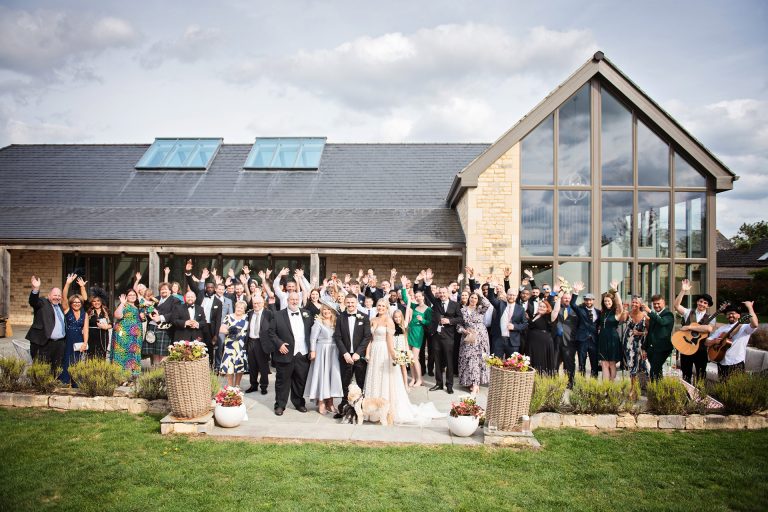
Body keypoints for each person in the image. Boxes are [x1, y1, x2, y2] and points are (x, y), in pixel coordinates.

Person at [364, 298, 443, 425]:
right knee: (375, 378)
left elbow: (390, 341)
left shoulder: (389, 321)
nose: (380, 308)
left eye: (383, 306)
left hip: (385, 351)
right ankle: (373, 410)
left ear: (387, 308)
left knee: (385, 378)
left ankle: (386, 411)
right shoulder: (372, 320)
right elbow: (370, 339)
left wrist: (393, 355)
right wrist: (368, 353)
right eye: (379, 305)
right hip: (375, 351)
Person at [268, 291, 314, 415]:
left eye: (296, 299)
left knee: (300, 380)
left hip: (303, 353)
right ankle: (280, 405)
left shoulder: (307, 314)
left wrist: (312, 349)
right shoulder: (278, 315)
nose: (294, 301)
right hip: (285, 353)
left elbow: (312, 332)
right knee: (282, 381)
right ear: (287, 301)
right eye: (292, 299)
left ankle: (299, 403)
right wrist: (279, 344)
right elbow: (271, 332)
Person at [424, 271, 464, 394]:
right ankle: (439, 383)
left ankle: (449, 385)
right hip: (436, 336)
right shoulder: (436, 303)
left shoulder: (455, 305)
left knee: (449, 361)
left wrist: (450, 321)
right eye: (440, 293)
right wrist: (427, 282)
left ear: (448, 293)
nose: (442, 295)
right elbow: (428, 293)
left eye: (444, 293)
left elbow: (460, 319)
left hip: (448, 337)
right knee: (437, 361)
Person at [332, 293, 372, 418]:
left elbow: (367, 336)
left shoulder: (364, 317)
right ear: (345, 303)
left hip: (359, 357)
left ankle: (359, 411)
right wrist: (345, 353)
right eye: (348, 302)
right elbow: (337, 337)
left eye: (352, 302)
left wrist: (358, 353)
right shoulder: (340, 317)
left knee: (360, 383)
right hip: (345, 357)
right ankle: (344, 409)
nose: (350, 305)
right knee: (345, 383)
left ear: (356, 303)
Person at [673, 279, 716, 383]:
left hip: (701, 350)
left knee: (701, 377)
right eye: (701, 301)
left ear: (708, 306)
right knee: (686, 376)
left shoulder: (711, 317)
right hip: (686, 348)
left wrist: (689, 327)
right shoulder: (688, 312)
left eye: (705, 303)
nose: (702, 304)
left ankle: (700, 394)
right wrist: (683, 291)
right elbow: (676, 306)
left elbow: (708, 328)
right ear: (697, 302)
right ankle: (687, 393)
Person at [305, 304, 343, 414]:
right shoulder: (318, 322)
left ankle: (330, 403)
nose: (326, 311)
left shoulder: (336, 322)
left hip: (334, 351)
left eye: (328, 309)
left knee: (331, 376)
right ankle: (321, 402)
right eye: (324, 309)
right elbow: (313, 338)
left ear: (332, 311)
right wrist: (313, 351)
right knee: (322, 376)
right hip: (322, 351)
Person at [705, 302, 759, 380]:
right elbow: (706, 342)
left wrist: (750, 307)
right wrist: (714, 341)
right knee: (722, 386)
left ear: (739, 315)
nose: (730, 315)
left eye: (733, 313)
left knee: (736, 386)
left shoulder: (744, 327)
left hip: (736, 363)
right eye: (728, 314)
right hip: (721, 363)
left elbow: (755, 324)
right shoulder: (722, 329)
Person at [26, 275, 67, 375]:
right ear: (49, 295)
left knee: (55, 369)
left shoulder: (60, 307)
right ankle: (39, 384)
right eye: (55, 295)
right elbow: (33, 301)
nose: (57, 297)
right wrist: (36, 289)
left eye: (59, 296)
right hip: (43, 343)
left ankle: (52, 384)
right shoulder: (42, 303)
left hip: (59, 344)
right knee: (40, 370)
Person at [457, 291, 491, 394]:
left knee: (478, 359)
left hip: (480, 337)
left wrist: (480, 294)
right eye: (472, 297)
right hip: (467, 337)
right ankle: (470, 382)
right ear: (468, 298)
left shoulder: (480, 309)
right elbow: (458, 325)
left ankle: (476, 384)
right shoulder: (462, 310)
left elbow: (487, 304)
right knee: (468, 359)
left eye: (476, 298)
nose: (473, 300)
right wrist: (464, 331)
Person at [400, 278, 431, 388]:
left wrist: (422, 320)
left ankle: (420, 379)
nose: (417, 298)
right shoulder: (414, 306)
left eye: (419, 296)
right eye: (416, 296)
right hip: (410, 331)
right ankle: (413, 378)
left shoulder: (428, 309)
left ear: (423, 297)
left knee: (415, 357)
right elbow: (405, 299)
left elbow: (430, 322)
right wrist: (403, 286)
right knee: (409, 356)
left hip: (418, 333)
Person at [60, 274, 89, 385]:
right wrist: (67, 283)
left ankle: (76, 382)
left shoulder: (84, 314)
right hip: (67, 339)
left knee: (77, 361)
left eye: (78, 302)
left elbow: (86, 329)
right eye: (74, 302)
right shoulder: (67, 310)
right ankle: (65, 382)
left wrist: (85, 343)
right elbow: (64, 297)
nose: (76, 304)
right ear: (71, 303)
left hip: (79, 339)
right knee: (67, 360)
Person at [487, 282, 528, 358]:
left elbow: (525, 324)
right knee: (495, 362)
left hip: (513, 342)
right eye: (509, 295)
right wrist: (491, 286)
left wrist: (514, 326)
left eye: (513, 295)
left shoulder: (520, 309)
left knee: (512, 363)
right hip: (499, 340)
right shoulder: (500, 304)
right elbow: (491, 298)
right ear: (506, 295)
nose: (511, 297)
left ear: (516, 296)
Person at [112, 289, 144, 378]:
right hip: (124, 335)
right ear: (126, 297)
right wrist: (122, 303)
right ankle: (121, 377)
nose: (132, 296)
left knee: (134, 354)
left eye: (134, 295)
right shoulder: (124, 305)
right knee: (122, 353)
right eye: (130, 295)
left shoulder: (137, 306)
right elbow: (117, 315)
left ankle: (133, 376)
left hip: (136, 336)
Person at [642, 294, 674, 381]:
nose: (656, 306)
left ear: (664, 302)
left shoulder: (668, 314)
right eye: (654, 304)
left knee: (653, 371)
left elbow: (662, 322)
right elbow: (650, 333)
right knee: (657, 370)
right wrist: (644, 348)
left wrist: (649, 311)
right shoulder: (654, 315)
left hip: (663, 348)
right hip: (652, 349)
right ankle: (659, 388)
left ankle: (654, 388)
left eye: (658, 303)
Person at [146, 282, 181, 363]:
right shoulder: (155, 299)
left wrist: (160, 317)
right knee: (154, 351)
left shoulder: (175, 300)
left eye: (165, 289)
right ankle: (155, 369)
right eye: (161, 289)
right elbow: (148, 310)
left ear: (170, 291)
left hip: (165, 328)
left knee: (163, 352)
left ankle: (162, 370)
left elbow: (175, 313)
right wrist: (150, 313)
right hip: (152, 327)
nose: (163, 291)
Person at [621, 295, 648, 398]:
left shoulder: (645, 316)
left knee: (641, 366)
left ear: (640, 304)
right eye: (633, 302)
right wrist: (624, 309)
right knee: (632, 365)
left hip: (640, 345)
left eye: (636, 302)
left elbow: (649, 331)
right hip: (628, 344)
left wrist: (640, 333)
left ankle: (639, 389)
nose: (634, 304)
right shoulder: (628, 313)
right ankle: (633, 389)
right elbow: (622, 320)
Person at [527, 294, 561, 375]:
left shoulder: (549, 316)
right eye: (540, 306)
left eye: (544, 307)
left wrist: (559, 298)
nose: (541, 308)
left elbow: (556, 310)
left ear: (547, 309)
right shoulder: (535, 315)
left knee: (541, 363)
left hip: (543, 344)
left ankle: (541, 380)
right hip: (532, 344)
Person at [218, 300, 249, 388]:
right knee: (229, 365)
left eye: (241, 308)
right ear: (235, 307)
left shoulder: (247, 317)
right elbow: (221, 329)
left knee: (240, 365)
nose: (239, 309)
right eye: (238, 307)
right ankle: (230, 386)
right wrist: (229, 331)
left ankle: (237, 385)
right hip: (230, 345)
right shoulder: (228, 317)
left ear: (244, 310)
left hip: (241, 345)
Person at [572, 282, 600, 377]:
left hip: (594, 340)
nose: (588, 302)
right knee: (581, 363)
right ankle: (582, 382)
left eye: (590, 300)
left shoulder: (598, 312)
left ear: (593, 300)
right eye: (586, 300)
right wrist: (576, 292)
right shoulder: (580, 310)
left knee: (594, 363)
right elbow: (572, 304)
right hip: (582, 340)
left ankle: (593, 382)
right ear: (584, 301)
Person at [597, 281, 624, 381]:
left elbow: (620, 305)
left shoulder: (616, 312)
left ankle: (612, 385)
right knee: (604, 363)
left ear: (612, 302)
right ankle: (605, 386)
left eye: (608, 301)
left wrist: (615, 291)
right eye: (605, 301)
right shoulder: (603, 312)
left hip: (613, 339)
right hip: (602, 339)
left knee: (612, 363)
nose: (607, 303)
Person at [553, 286, 579, 388]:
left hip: (570, 341)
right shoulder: (557, 307)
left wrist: (576, 292)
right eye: (565, 298)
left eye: (568, 298)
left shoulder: (576, 310)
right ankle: (555, 384)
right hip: (556, 340)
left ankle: (570, 382)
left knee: (569, 363)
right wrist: (554, 293)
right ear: (562, 299)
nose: (567, 300)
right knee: (555, 363)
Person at [246, 294, 272, 395]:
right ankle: (253, 385)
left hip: (262, 342)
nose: (256, 305)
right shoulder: (250, 313)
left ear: (263, 303)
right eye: (254, 303)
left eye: (258, 303)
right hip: (251, 341)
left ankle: (264, 386)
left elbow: (273, 328)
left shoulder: (268, 313)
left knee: (263, 366)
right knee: (252, 365)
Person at [86, 294, 111, 360]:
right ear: (92, 303)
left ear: (101, 301)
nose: (96, 303)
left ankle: (101, 366)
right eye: (94, 301)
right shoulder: (89, 311)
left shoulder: (106, 311)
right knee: (91, 355)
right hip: (91, 336)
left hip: (103, 335)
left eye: (98, 301)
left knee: (102, 354)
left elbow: (111, 324)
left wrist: (106, 327)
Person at [391, 308, 410, 390]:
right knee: (394, 368)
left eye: (399, 317)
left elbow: (405, 339)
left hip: (402, 349)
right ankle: (396, 385)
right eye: (395, 317)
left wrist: (407, 350)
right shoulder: (391, 326)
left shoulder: (404, 325)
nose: (397, 319)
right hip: (394, 349)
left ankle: (405, 384)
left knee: (403, 367)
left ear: (401, 317)